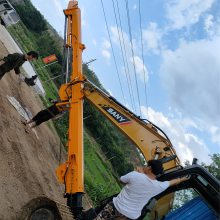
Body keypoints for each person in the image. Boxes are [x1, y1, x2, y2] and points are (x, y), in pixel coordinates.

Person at [94, 160, 189, 220]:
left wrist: (139, 172)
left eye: (146, 165)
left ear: (149, 168)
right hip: (129, 216)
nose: (145, 166)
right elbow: (173, 182)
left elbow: (121, 180)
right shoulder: (160, 186)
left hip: (116, 206)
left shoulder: (135, 175)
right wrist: (182, 179)